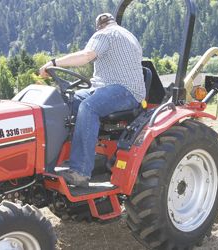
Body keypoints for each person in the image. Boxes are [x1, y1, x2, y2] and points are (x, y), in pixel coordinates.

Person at [40, 13, 146, 187]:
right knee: (68, 101)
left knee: (88, 107)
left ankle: (81, 171)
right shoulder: (128, 35)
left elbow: (86, 56)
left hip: (125, 91)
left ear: (98, 27)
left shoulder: (105, 34)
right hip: (109, 88)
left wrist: (53, 63)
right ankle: (59, 159)